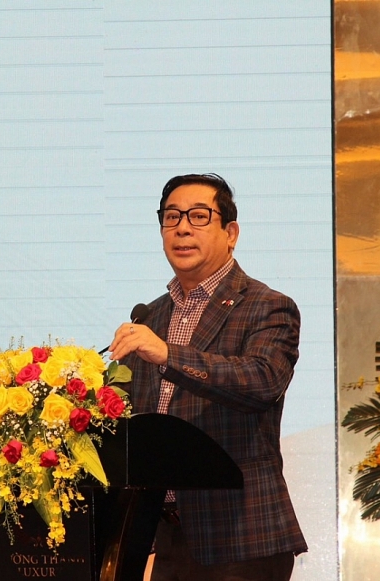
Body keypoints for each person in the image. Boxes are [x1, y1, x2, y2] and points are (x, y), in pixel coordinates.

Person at [108, 173, 307, 581]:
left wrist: (168, 355)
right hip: (163, 539)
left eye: (199, 216)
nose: (182, 228)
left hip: (241, 538)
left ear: (230, 233)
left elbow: (262, 381)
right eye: (171, 217)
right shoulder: (150, 316)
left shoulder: (268, 307)